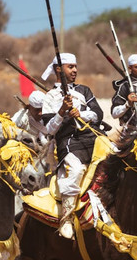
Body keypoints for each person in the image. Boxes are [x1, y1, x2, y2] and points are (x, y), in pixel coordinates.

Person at [41, 53, 103, 239]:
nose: (75, 70)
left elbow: (98, 114)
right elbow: (49, 130)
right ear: (59, 69)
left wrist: (81, 113)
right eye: (70, 67)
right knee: (75, 170)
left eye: (75, 66)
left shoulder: (84, 90)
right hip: (69, 142)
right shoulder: (50, 96)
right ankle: (66, 219)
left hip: (92, 138)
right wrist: (61, 112)